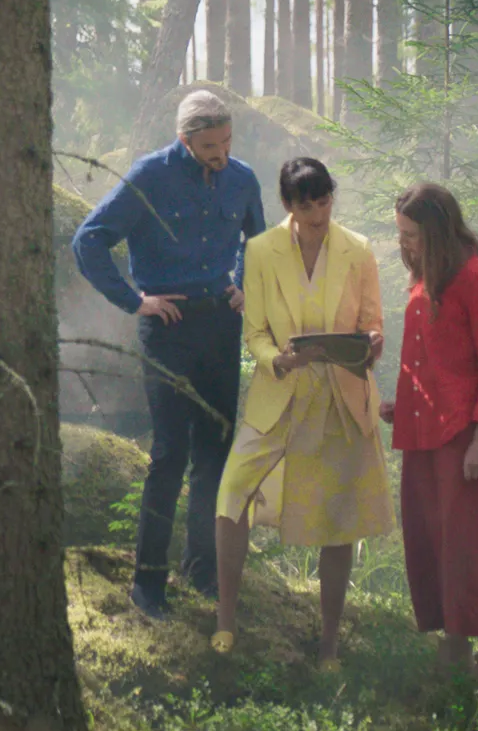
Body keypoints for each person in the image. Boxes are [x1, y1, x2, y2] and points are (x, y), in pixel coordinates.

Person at [72, 91, 266, 619]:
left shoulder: (242, 178)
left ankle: (201, 573)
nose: (221, 153)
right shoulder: (150, 176)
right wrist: (135, 301)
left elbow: (259, 242)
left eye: (226, 141)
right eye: (209, 145)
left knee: (214, 453)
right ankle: (148, 584)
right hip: (168, 328)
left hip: (221, 325)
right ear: (185, 139)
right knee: (168, 455)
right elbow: (88, 240)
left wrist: (246, 286)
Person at [211, 158, 392, 663]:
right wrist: (279, 360)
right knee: (232, 491)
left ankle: (328, 645)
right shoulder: (261, 250)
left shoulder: (357, 250)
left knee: (338, 518)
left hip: (340, 395)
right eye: (307, 205)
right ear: (289, 205)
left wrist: (372, 343)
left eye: (325, 201)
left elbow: (373, 323)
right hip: (281, 393)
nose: (318, 214)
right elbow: (255, 333)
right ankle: (226, 620)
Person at [380, 183, 478, 678]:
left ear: (437, 230)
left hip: (463, 435)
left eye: (412, 234)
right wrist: (405, 402)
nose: (406, 244)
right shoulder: (426, 278)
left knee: (469, 540)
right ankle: (453, 642)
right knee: (429, 535)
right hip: (423, 430)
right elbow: (433, 358)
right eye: (402, 234)